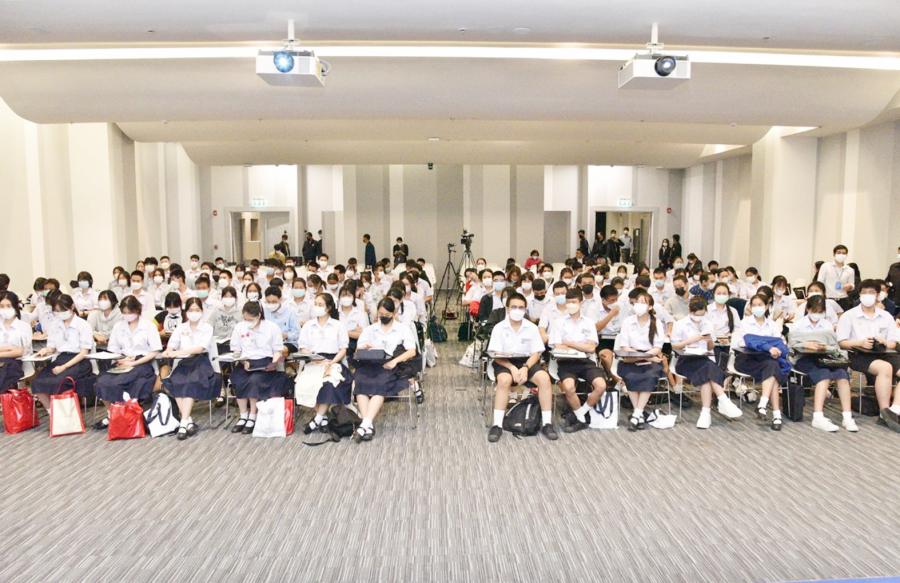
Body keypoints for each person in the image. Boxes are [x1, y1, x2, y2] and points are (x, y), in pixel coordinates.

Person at [486, 293, 557, 442]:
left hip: (527, 362)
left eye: (521, 307)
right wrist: (512, 368)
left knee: (544, 379)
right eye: (514, 307)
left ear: (525, 309)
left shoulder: (531, 327)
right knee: (504, 380)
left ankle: (547, 423)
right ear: (507, 308)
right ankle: (497, 425)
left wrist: (525, 367)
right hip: (504, 362)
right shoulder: (499, 328)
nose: (517, 310)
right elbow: (495, 355)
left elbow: (536, 353)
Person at [836, 279, 900, 431]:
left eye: (871, 292)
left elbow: (894, 342)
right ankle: (884, 411)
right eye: (864, 292)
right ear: (859, 295)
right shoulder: (849, 315)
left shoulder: (886, 316)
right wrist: (860, 342)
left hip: (884, 352)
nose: (868, 295)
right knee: (885, 368)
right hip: (859, 354)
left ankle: (894, 410)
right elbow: (842, 342)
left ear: (878, 295)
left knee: (889, 365)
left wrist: (884, 342)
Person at [670, 297, 743, 428]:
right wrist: (693, 339)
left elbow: (710, 347)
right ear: (690, 311)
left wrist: (709, 340)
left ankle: (706, 414)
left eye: (702, 315)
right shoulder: (680, 324)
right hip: (685, 360)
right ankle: (722, 400)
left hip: (703, 358)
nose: (699, 318)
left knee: (706, 373)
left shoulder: (708, 323)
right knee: (708, 368)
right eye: (696, 315)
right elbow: (675, 346)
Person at [353, 297, 419, 442]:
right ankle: (367, 425)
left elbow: (412, 351)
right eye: (380, 314)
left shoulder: (402, 329)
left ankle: (364, 424)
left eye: (386, 314)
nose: (383, 317)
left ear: (393, 314)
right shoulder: (370, 329)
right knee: (360, 381)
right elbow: (358, 349)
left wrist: (395, 361)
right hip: (370, 363)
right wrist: (364, 347)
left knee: (380, 384)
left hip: (391, 364)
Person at [789, 296, 857, 432]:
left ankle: (847, 416)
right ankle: (818, 416)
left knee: (842, 375)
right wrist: (806, 344)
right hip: (804, 359)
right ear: (808, 309)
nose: (817, 314)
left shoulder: (827, 325)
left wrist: (824, 347)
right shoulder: (798, 325)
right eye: (814, 310)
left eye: (820, 311)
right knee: (823, 375)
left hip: (825, 357)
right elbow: (791, 345)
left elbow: (834, 345)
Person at [93, 295, 163, 429]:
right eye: (124, 313)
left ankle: (123, 414)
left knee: (121, 382)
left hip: (142, 363)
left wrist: (134, 362)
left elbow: (154, 351)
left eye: (130, 312)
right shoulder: (118, 326)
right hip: (122, 361)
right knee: (102, 381)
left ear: (137, 310)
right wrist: (121, 359)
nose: (127, 315)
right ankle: (112, 413)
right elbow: (113, 349)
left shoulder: (148, 326)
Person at [160, 298, 221, 440]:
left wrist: (178, 352)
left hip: (201, 362)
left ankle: (183, 423)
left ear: (202, 311)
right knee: (175, 382)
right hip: (184, 363)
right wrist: (168, 351)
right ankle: (187, 421)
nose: (194, 313)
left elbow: (199, 348)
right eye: (191, 310)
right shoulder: (181, 328)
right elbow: (171, 345)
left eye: (197, 310)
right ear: (186, 312)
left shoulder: (207, 328)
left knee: (190, 383)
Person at [548, 288, 607, 433]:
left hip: (586, 362)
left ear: (581, 303)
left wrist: (569, 343)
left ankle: (580, 414)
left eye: (574, 302)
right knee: (568, 388)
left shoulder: (589, 323)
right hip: (566, 362)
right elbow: (557, 345)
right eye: (568, 302)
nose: (571, 305)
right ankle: (582, 419)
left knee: (601, 386)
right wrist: (580, 345)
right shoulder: (559, 322)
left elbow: (591, 348)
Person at [228, 301, 290, 435]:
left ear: (259, 316)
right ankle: (243, 415)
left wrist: (274, 363)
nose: (248, 322)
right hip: (246, 362)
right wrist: (242, 361)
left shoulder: (272, 328)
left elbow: (278, 350)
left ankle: (252, 415)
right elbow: (236, 350)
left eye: (251, 319)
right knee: (238, 380)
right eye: (245, 319)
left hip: (265, 363)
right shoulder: (240, 327)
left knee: (254, 380)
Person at [298, 292, 352, 434]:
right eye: (315, 304)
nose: (317, 307)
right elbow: (303, 347)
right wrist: (314, 358)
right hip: (314, 360)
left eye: (320, 304)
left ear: (328, 308)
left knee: (328, 384)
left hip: (333, 361)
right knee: (304, 384)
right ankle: (323, 417)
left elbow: (343, 349)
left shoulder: (338, 325)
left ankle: (317, 420)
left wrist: (331, 362)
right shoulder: (308, 325)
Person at [731, 294, 787, 431]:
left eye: (760, 305)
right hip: (746, 360)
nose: (757, 308)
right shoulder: (744, 323)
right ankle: (774, 413)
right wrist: (766, 345)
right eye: (754, 305)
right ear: (750, 307)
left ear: (767, 306)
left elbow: (781, 344)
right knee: (773, 369)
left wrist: (763, 344)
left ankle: (765, 407)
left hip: (766, 361)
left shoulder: (772, 325)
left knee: (772, 366)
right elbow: (741, 343)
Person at [30, 294, 95, 409]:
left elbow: (84, 353)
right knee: (37, 382)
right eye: (57, 311)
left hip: (79, 361)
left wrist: (64, 367)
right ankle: (51, 412)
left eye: (62, 310)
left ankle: (62, 413)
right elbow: (52, 347)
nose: (60, 313)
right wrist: (46, 350)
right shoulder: (55, 324)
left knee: (59, 381)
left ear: (72, 307)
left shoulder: (83, 325)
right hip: (61, 359)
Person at [614, 289, 666, 430]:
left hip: (649, 356)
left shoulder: (656, 323)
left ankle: (637, 414)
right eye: (638, 302)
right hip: (631, 357)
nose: (639, 305)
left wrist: (647, 356)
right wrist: (641, 356)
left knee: (649, 376)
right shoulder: (628, 321)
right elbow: (624, 346)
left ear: (650, 307)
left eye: (643, 303)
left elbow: (658, 347)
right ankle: (640, 414)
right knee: (630, 376)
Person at [0, 291, 32, 392]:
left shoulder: (23, 327)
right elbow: (16, 349)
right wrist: (10, 348)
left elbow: (20, 351)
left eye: (8, 306)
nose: (5, 309)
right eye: (2, 306)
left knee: (7, 371)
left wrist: (6, 351)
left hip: (16, 363)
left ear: (15, 306)